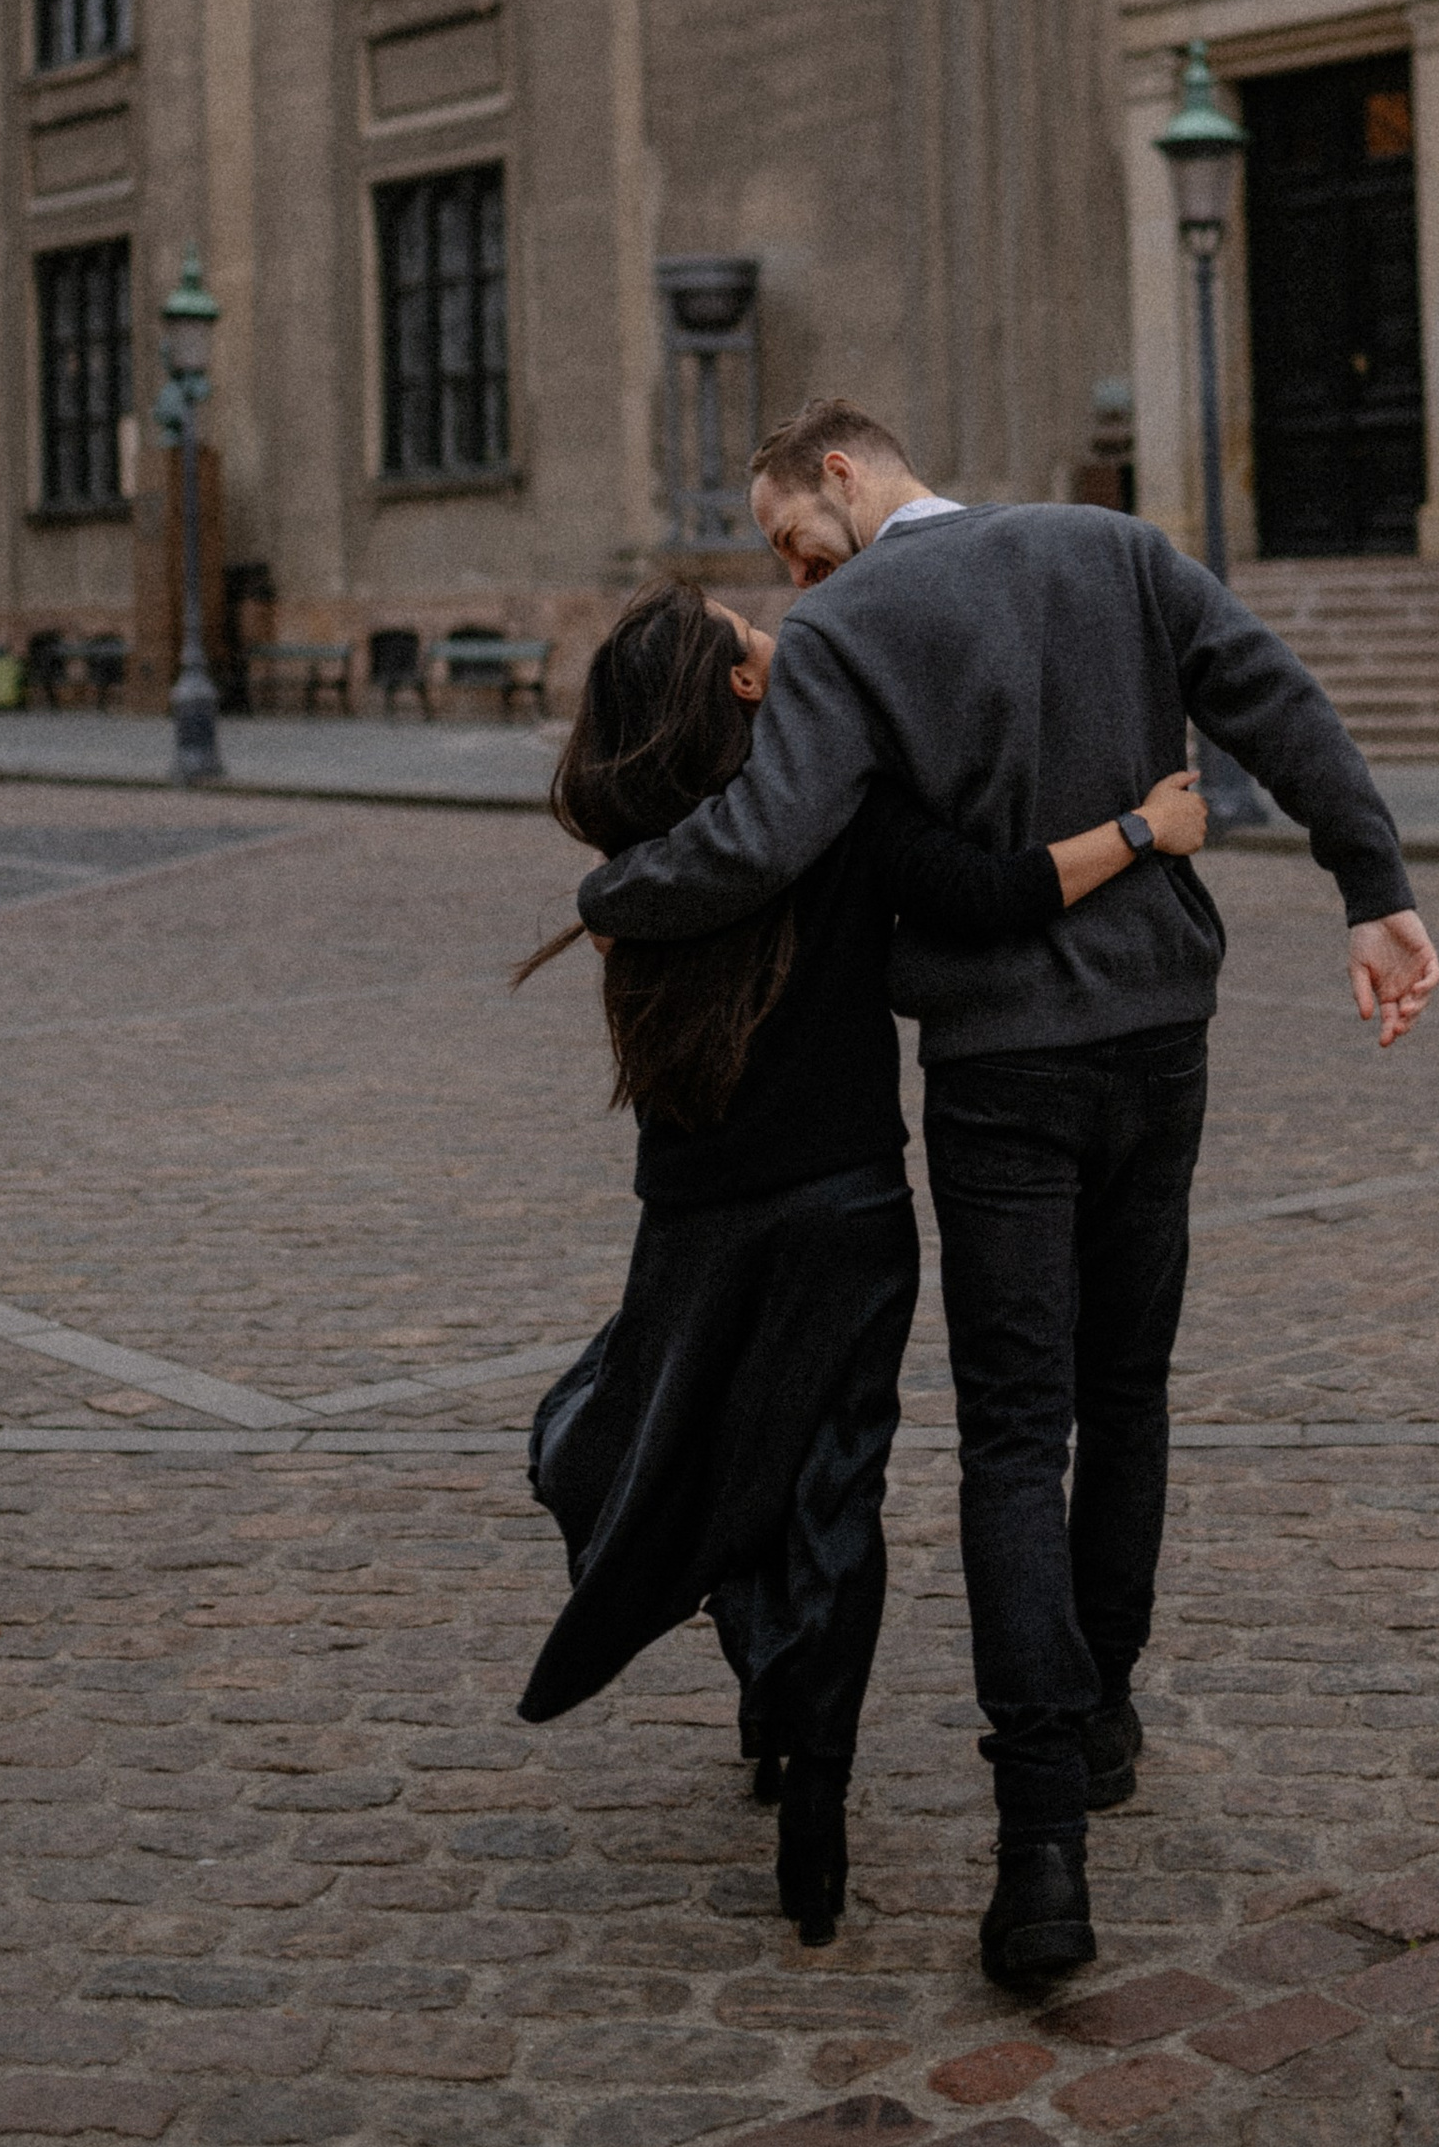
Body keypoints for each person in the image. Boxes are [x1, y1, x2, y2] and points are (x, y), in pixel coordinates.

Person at [577, 400, 1439, 1985]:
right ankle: (1101, 1714)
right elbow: (1275, 699)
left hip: (999, 1075)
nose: (794, 573)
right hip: (1160, 1044)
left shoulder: (846, 632)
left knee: (1014, 1437)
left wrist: (615, 890)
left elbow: (763, 839)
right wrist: (1371, 886)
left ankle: (1042, 1854)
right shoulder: (1112, 550)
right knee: (1127, 1393)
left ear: (843, 472)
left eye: (790, 537)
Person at [514, 577, 1207, 1949]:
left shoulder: (651, 865)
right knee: (835, 1489)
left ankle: (767, 1692)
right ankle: (815, 1801)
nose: (778, 627)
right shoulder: (843, 806)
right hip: (848, 1211)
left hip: (699, 1224)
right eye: (749, 628)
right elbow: (988, 894)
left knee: (665, 1448)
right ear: (742, 684)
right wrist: (1144, 828)